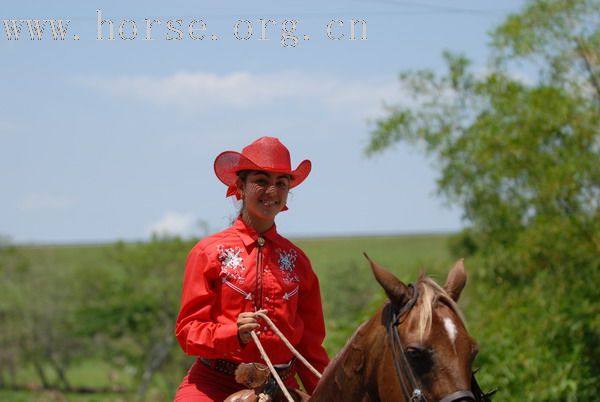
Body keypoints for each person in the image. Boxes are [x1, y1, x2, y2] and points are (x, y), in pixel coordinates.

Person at [174, 136, 330, 401]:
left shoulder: (298, 261)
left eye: (281, 184)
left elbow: (309, 348)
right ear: (240, 187)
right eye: (261, 181)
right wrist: (232, 334)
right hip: (213, 385)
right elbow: (188, 331)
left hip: (281, 386)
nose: (272, 191)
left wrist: (327, 395)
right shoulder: (208, 252)